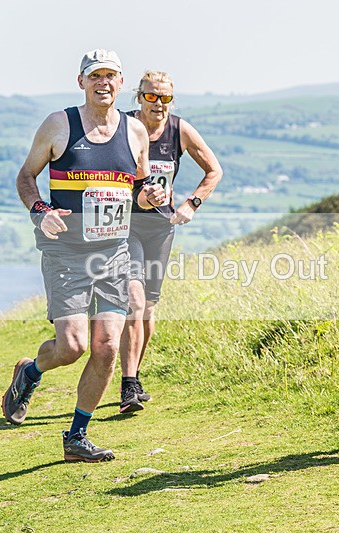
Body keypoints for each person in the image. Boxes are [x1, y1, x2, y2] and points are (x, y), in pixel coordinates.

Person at [2, 49, 166, 462]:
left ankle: (76, 436)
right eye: (95, 76)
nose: (103, 83)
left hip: (114, 250)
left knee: (107, 344)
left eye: (111, 76)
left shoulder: (135, 132)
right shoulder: (59, 125)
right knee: (72, 346)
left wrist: (149, 196)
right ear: (82, 82)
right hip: (66, 250)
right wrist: (40, 211)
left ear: (121, 82)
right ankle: (30, 371)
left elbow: (137, 191)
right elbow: (26, 176)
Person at [117, 71, 222, 413]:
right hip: (126, 225)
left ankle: (134, 377)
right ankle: (127, 384)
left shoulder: (180, 130)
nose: (158, 104)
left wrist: (192, 203)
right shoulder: (122, 125)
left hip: (161, 228)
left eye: (165, 98)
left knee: (148, 308)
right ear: (139, 97)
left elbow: (214, 170)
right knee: (134, 301)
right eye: (151, 96)